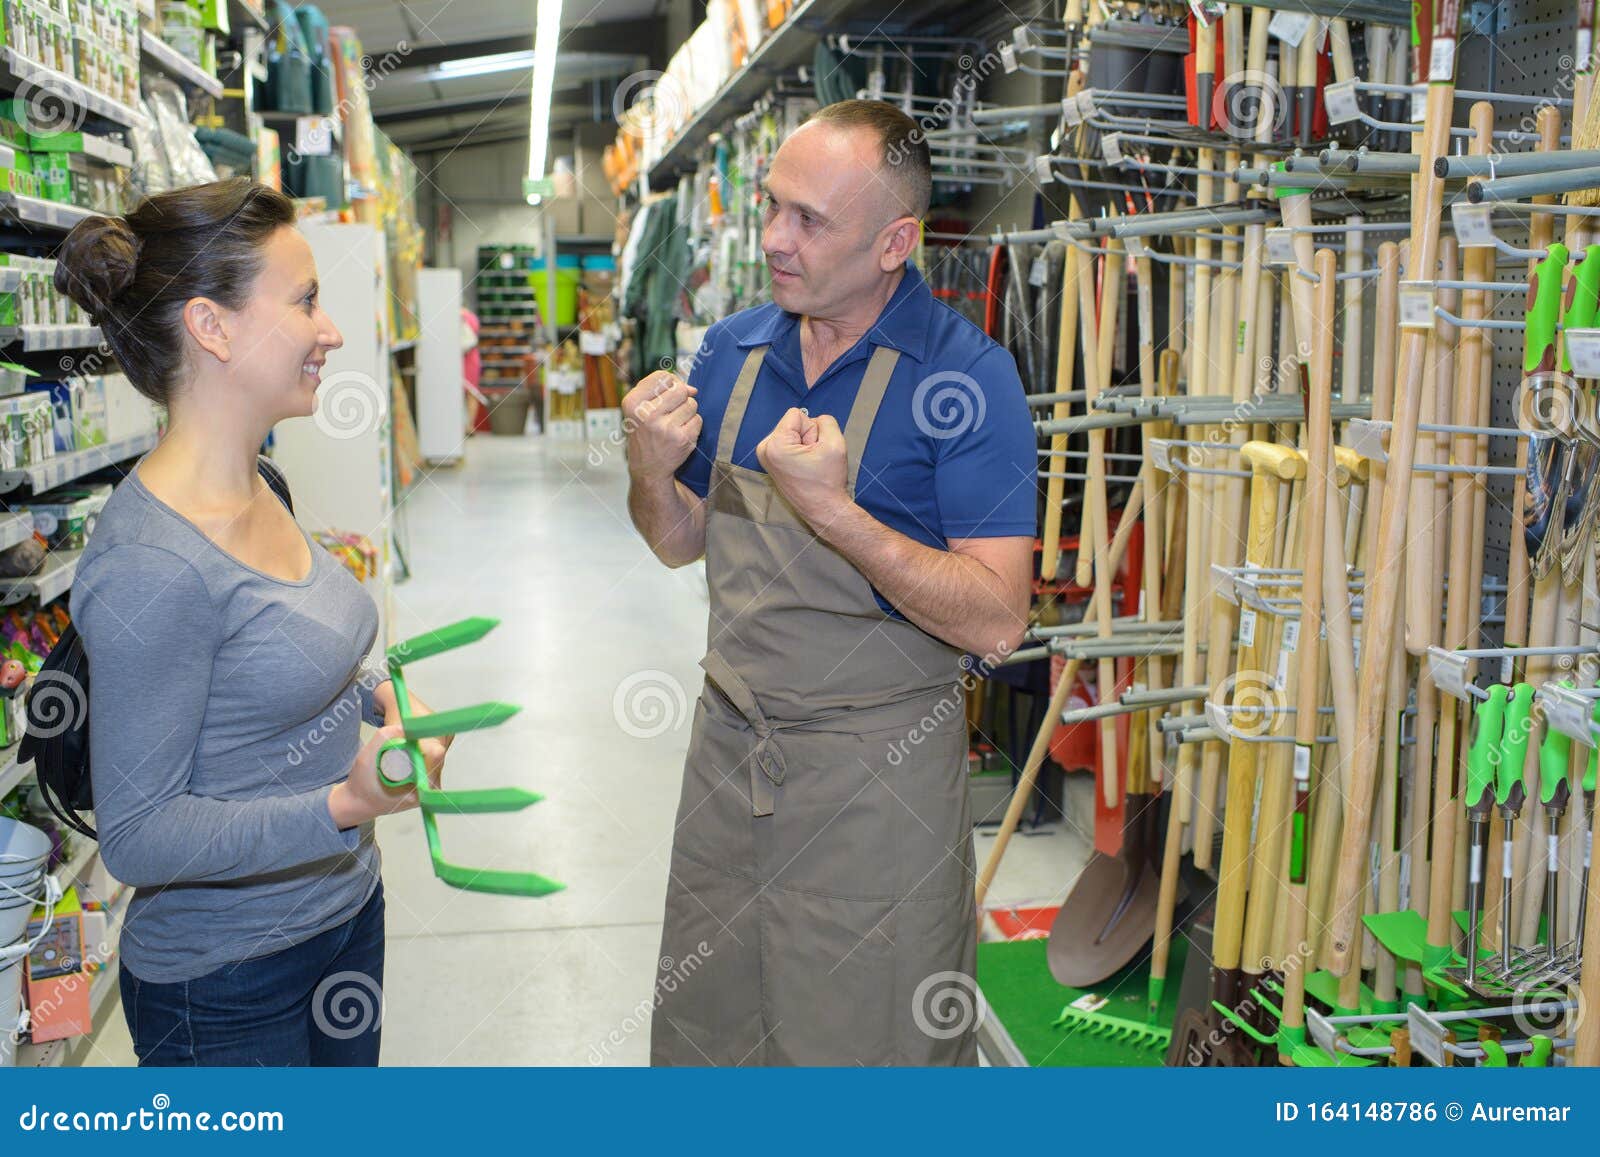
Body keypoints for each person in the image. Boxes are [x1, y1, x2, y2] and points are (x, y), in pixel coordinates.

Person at [623, 100, 1037, 1065]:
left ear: (896, 242)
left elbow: (998, 620)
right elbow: (679, 542)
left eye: (810, 220)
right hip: (729, 762)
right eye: (773, 207)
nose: (773, 239)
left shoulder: (970, 382)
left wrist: (840, 514)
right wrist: (648, 469)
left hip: (875, 791)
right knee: (711, 1042)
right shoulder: (733, 351)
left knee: (870, 1052)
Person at [57, 178, 449, 1066]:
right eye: (306, 300)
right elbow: (139, 836)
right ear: (213, 327)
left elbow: (285, 661)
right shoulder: (151, 563)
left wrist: (386, 700)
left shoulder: (262, 483)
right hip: (225, 987)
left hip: (344, 919)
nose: (332, 330)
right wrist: (344, 803)